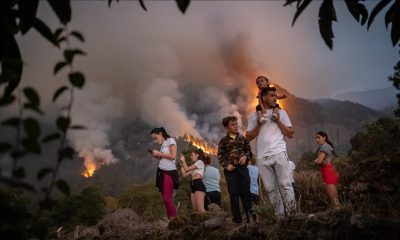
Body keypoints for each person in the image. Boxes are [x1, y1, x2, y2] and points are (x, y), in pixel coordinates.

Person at [246, 86, 296, 216]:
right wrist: (258, 124)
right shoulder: (255, 116)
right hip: (262, 157)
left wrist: (278, 121)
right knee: (271, 190)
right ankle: (280, 218)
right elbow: (248, 136)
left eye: (275, 95)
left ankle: (293, 215)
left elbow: (290, 133)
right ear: (264, 97)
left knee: (285, 184)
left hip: (279, 152)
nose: (275, 98)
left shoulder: (282, 113)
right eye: (272, 96)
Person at [218, 116, 254, 225]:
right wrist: (226, 166)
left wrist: (245, 157)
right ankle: (237, 220)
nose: (235, 126)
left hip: (243, 170)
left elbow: (249, 152)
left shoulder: (243, 139)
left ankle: (250, 218)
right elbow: (220, 155)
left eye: (236, 124)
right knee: (233, 195)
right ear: (227, 128)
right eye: (232, 124)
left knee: (246, 193)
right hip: (231, 172)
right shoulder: (223, 141)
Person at [150, 127, 179, 219]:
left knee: (167, 198)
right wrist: (157, 156)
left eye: (155, 138)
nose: (155, 140)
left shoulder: (170, 140)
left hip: (169, 172)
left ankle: (174, 220)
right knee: (165, 199)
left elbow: (173, 156)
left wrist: (159, 154)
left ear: (160, 134)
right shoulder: (163, 145)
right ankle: (169, 220)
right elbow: (165, 157)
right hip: (161, 172)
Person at [314, 131, 340, 210]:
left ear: (324, 137)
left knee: (333, 200)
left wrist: (315, 161)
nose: (317, 140)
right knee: (334, 199)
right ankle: (339, 216)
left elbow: (318, 161)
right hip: (331, 171)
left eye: (318, 137)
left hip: (328, 173)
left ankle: (340, 218)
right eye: (316, 138)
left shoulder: (324, 146)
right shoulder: (328, 146)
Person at [179, 148, 206, 213]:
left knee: (200, 210)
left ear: (197, 155)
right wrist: (182, 165)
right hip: (193, 185)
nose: (191, 157)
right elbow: (185, 174)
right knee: (196, 210)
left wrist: (184, 161)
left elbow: (187, 169)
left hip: (198, 184)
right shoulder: (195, 165)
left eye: (192, 155)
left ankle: (211, 221)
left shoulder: (200, 162)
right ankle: (201, 223)